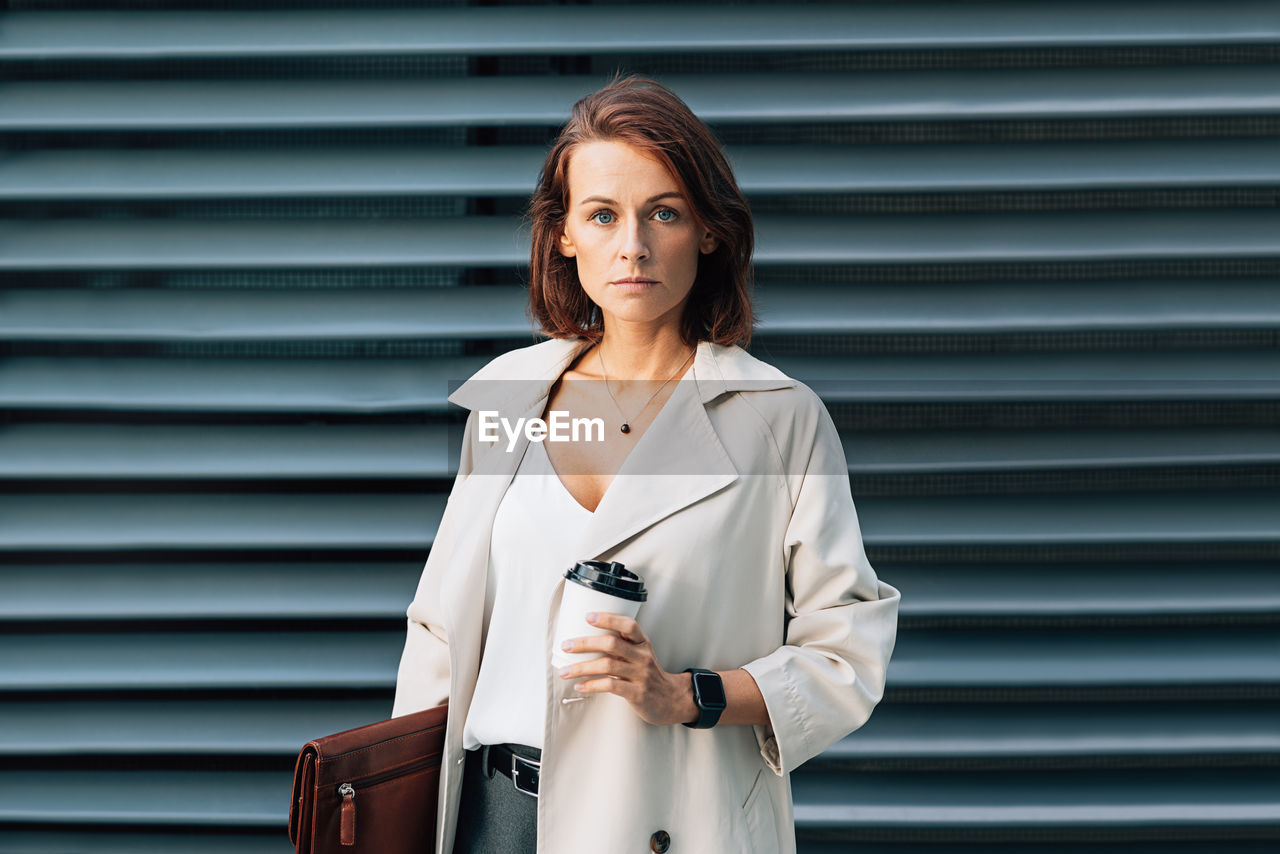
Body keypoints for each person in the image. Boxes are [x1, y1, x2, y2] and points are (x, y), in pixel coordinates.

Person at [392, 74, 900, 854]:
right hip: (487, 819)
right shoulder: (508, 401)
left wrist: (684, 694)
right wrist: (398, 807)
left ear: (707, 229)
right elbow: (438, 634)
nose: (632, 245)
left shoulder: (779, 419)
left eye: (663, 211)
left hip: (674, 822)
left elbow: (847, 652)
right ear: (564, 236)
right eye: (603, 215)